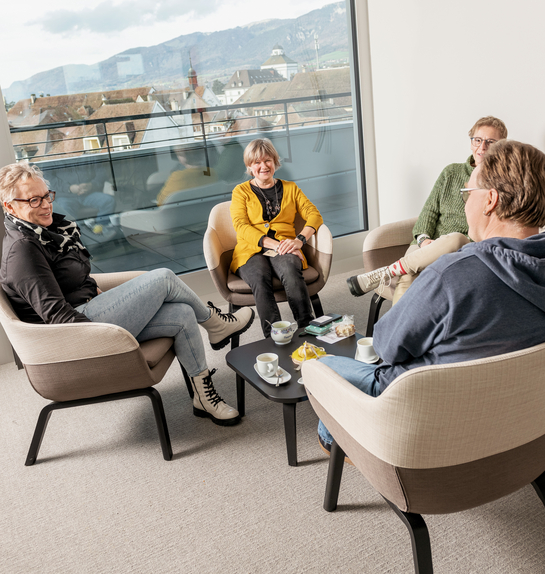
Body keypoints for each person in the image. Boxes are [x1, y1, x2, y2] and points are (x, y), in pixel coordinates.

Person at [318, 139, 545, 453]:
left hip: (429, 431)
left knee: (321, 368)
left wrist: (410, 291)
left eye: (467, 193)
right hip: (518, 428)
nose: (465, 204)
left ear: (490, 200)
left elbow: (386, 345)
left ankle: (344, 444)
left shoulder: (454, 275)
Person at [0, 162, 255, 426]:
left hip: (90, 309)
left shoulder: (47, 234)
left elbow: (68, 279)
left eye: (46, 195)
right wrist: (107, 334)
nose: (45, 204)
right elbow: (57, 317)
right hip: (79, 334)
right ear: (10, 206)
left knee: (182, 313)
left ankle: (203, 396)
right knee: (165, 277)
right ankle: (214, 323)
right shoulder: (23, 250)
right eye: (33, 200)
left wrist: (96, 291)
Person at [347, 116, 508, 304]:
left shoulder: (502, 184)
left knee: (456, 237)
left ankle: (388, 271)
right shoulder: (451, 172)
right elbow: (428, 214)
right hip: (426, 245)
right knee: (407, 277)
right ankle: (399, 329)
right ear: (471, 142)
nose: (482, 147)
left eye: (490, 142)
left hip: (460, 251)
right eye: (478, 140)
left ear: (502, 146)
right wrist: (424, 241)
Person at [230, 138, 324, 337]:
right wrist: (274, 243)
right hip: (251, 249)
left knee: (290, 269)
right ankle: (273, 335)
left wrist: (299, 240)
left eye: (268, 160)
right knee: (259, 276)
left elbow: (314, 215)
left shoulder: (291, 188)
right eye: (257, 162)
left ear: (275, 162)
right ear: (249, 166)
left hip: (287, 247)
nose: (263, 166)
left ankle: (306, 326)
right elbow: (241, 226)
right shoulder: (241, 192)